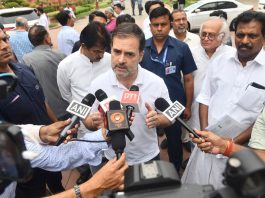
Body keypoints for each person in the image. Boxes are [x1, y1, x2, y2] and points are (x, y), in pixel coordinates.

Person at [182, 11, 265, 189]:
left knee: (229, 190)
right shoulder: (220, 61)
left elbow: (261, 120)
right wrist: (205, 134)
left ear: (263, 38)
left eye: (252, 35)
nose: (244, 40)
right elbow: (205, 99)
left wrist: (229, 144)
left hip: (241, 150)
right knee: (198, 188)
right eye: (240, 35)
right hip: (206, 143)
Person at [84, 23, 172, 166]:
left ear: (141, 55)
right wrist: (93, 123)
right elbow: (87, 122)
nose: (121, 60)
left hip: (147, 157)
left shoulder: (156, 82)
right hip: (112, 158)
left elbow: (170, 117)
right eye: (117, 51)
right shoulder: (97, 84)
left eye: (129, 54)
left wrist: (158, 120)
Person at [0, 28, 64, 197]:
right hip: (27, 161)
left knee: (57, 183)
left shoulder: (24, 69)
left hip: (50, 144)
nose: (4, 46)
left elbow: (43, 101)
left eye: (4, 40)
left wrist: (58, 125)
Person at [140, 7, 197, 171]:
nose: (159, 28)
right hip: (147, 104)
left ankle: (175, 169)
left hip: (173, 104)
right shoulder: (141, 48)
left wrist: (187, 105)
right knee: (146, 137)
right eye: (155, 25)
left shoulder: (181, 48)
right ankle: (148, 172)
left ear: (170, 24)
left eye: (163, 24)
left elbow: (188, 78)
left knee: (174, 139)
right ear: (150, 26)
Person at [187, 18, 234, 135]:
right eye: (203, 34)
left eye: (211, 35)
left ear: (222, 36)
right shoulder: (191, 53)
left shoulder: (232, 55)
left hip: (222, 112)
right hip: (196, 109)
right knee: (197, 142)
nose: (206, 38)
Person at [22, 25, 69, 120]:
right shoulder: (61, 55)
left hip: (47, 112)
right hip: (67, 107)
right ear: (46, 38)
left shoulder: (26, 60)